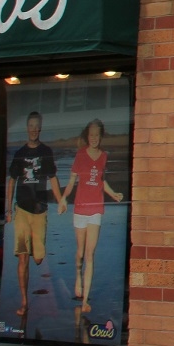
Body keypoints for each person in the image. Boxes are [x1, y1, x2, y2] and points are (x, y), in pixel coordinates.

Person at [5, 112, 64, 318]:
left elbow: (53, 178)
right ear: (27, 128)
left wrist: (61, 200)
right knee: (23, 258)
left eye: (36, 126)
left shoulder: (46, 151)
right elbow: (12, 181)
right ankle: (24, 302)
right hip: (21, 210)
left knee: (38, 258)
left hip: (40, 210)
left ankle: (34, 249)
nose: (33, 130)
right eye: (30, 126)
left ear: (40, 128)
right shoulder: (20, 153)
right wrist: (8, 209)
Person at [61, 119, 124, 307]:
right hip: (80, 208)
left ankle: (85, 300)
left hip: (96, 209)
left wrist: (113, 194)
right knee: (80, 252)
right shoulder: (80, 155)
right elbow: (71, 181)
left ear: (101, 136)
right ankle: (78, 277)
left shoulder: (104, 156)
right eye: (91, 135)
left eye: (97, 135)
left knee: (90, 254)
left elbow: (101, 180)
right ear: (87, 136)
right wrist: (63, 198)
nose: (94, 138)